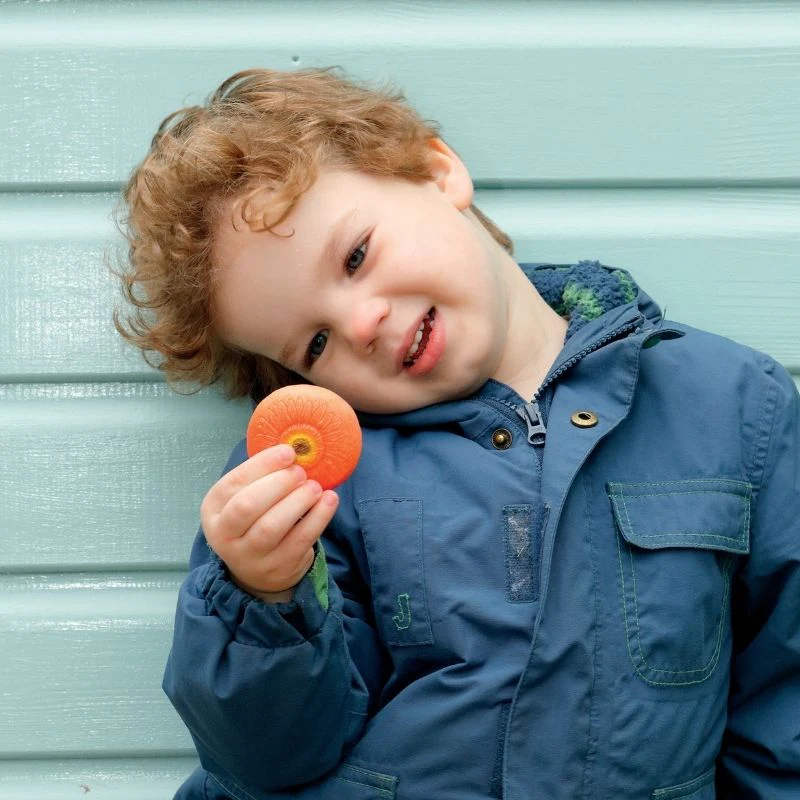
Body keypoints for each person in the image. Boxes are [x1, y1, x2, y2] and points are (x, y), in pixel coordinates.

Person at [115, 68, 800, 800]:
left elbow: (783, 709)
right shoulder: (310, 481)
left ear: (438, 173)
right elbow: (265, 759)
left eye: (355, 257)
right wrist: (265, 597)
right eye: (313, 345)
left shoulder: (731, 405)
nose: (360, 325)